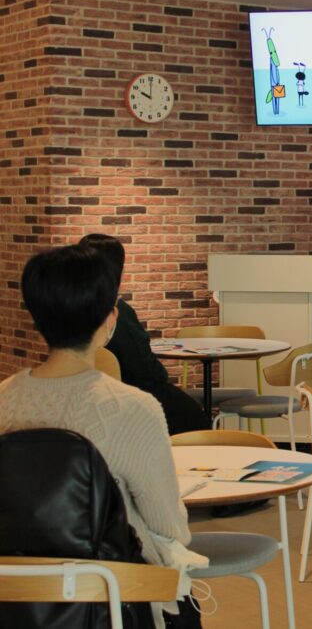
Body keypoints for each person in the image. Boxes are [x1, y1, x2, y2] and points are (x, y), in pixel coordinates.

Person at [0, 245, 202, 627]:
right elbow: (169, 528)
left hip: (14, 599)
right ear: (110, 318)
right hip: (109, 598)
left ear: (36, 318)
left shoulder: (3, 398)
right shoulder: (133, 407)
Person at [79, 234, 209, 435]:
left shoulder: (76, 309)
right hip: (133, 396)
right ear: (117, 268)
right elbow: (146, 368)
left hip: (93, 396)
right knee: (191, 413)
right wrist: (162, 373)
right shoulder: (118, 312)